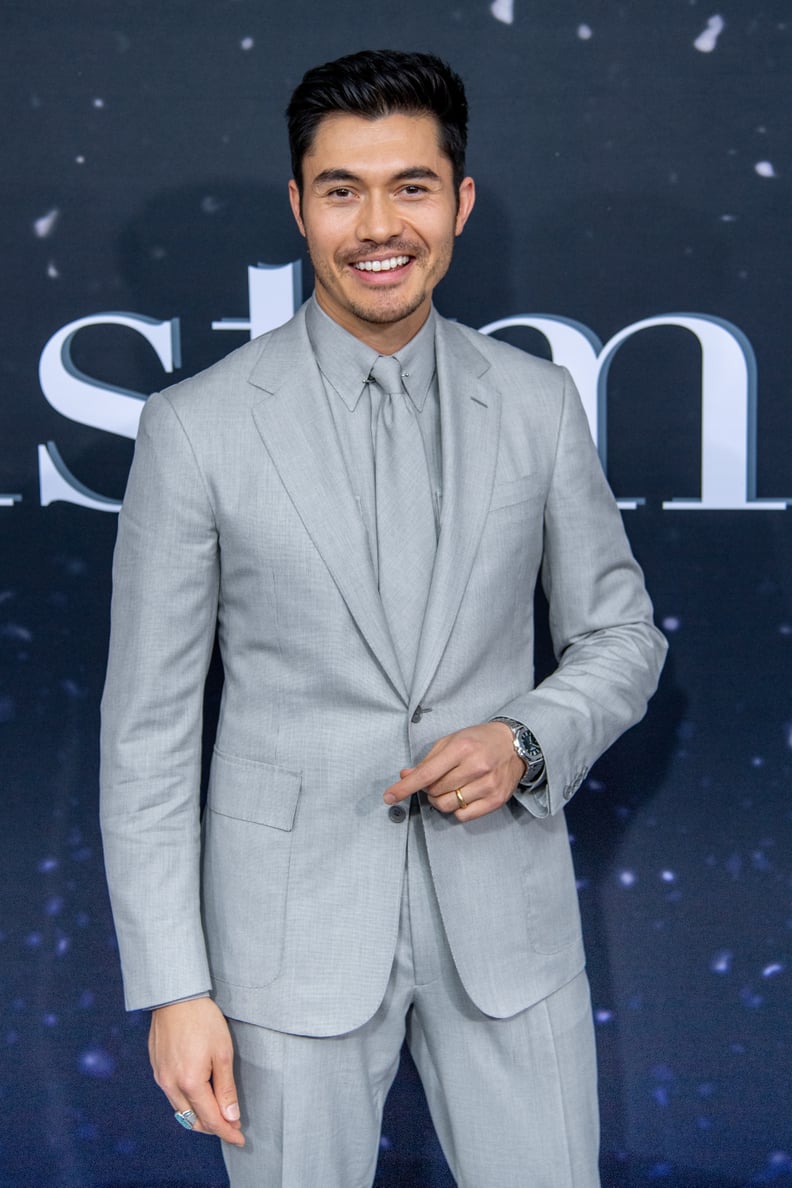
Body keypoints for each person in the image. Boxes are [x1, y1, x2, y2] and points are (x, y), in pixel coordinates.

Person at [100, 48, 667, 1188]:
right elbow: (148, 730)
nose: (379, 224)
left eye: (410, 186)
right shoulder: (196, 429)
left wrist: (523, 741)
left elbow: (623, 636)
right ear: (302, 204)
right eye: (344, 188)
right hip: (281, 950)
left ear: (457, 203)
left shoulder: (535, 404)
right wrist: (175, 986)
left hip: (510, 934)